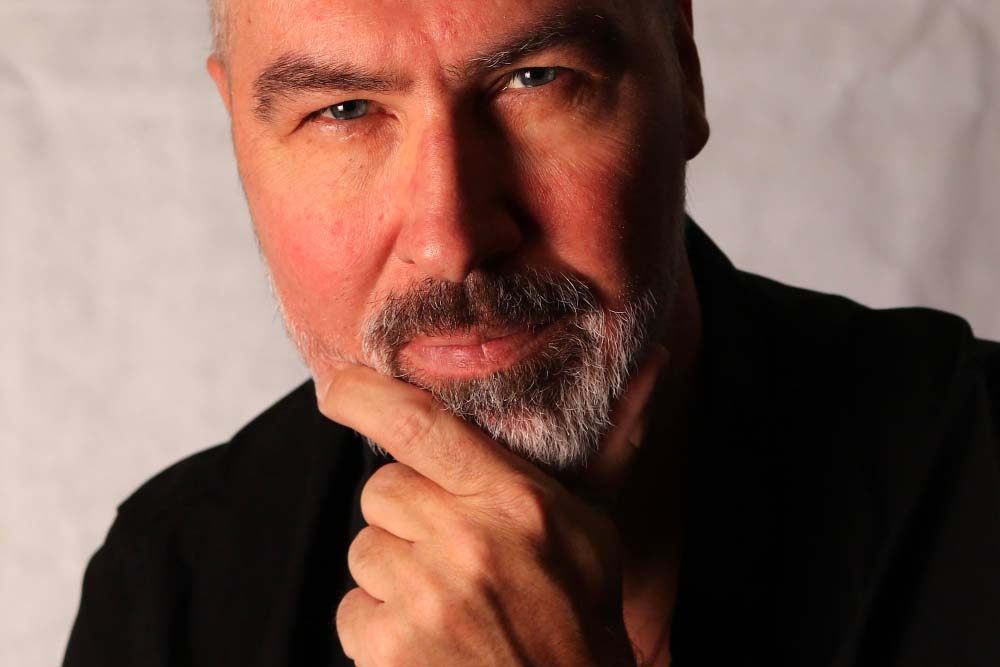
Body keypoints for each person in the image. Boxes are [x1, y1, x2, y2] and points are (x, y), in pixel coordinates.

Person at [64, 1, 1000, 665]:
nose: (453, 237)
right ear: (236, 130)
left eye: (534, 78)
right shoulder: (173, 585)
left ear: (683, 67)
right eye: (343, 111)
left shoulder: (978, 466)